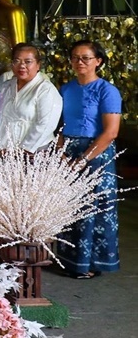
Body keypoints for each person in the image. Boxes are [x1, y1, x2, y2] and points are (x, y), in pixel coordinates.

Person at [59, 40, 122, 279]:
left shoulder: (107, 90)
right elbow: (59, 125)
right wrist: (61, 153)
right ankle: (70, 260)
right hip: (69, 150)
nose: (80, 62)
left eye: (85, 58)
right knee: (70, 206)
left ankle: (91, 264)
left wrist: (84, 159)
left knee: (95, 208)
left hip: (96, 151)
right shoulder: (65, 89)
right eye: (75, 57)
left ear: (98, 61)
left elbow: (111, 131)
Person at [0, 43, 62, 153]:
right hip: (6, 151)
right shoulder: (6, 87)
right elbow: (1, 118)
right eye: (17, 61)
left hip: (34, 151)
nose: (22, 66)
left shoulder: (45, 89)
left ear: (38, 65)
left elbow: (46, 124)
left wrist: (23, 150)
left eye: (28, 61)